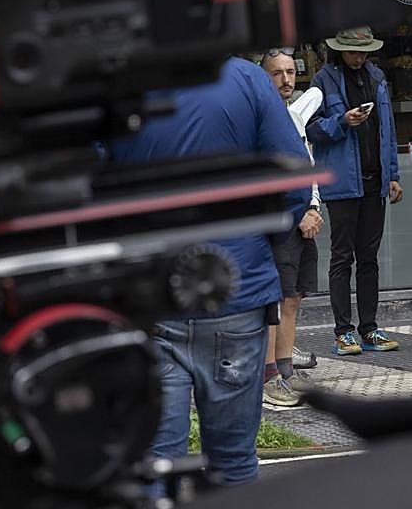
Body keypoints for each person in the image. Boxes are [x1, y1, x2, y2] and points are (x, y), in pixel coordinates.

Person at [106, 57, 313, 488]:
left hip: (150, 296)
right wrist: (258, 245)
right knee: (234, 462)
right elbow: (294, 180)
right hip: (236, 292)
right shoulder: (245, 77)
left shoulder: (118, 79)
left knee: (155, 462)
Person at [307, 28, 403, 355]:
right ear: (339, 50)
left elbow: (387, 130)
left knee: (369, 258)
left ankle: (370, 328)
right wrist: (342, 121)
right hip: (343, 182)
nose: (359, 57)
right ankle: (343, 331)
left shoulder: (376, 76)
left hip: (374, 180)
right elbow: (310, 126)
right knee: (342, 257)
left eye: (363, 52)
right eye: (352, 52)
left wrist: (393, 174)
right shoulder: (323, 80)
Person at [260, 48, 324, 406]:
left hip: (304, 219)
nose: (286, 80)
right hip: (282, 223)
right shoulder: (261, 119)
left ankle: (286, 368)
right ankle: (269, 375)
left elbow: (308, 164)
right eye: (277, 74)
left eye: (290, 72)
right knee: (276, 297)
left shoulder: (295, 116)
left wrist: (313, 206)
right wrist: (295, 212)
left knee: (295, 297)